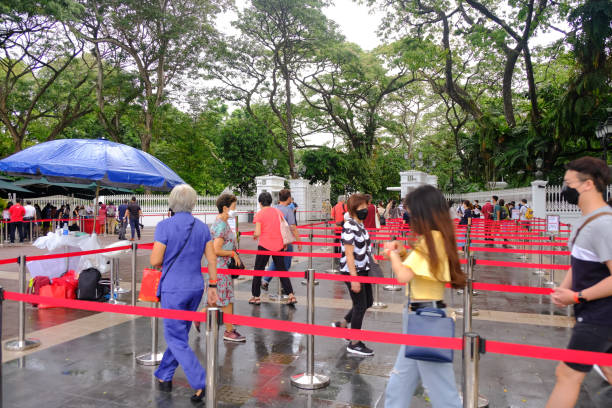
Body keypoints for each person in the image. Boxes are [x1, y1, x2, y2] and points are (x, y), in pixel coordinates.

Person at [383, 185, 466, 408]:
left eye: (411, 212)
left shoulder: (433, 240)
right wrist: (401, 253)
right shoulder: (433, 239)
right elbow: (417, 265)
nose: (408, 216)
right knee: (400, 381)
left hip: (425, 318)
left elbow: (403, 275)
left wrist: (392, 254)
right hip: (420, 316)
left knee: (442, 389)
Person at [546, 157, 612, 408]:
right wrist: (565, 288)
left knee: (567, 374)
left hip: (600, 316)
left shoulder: (604, 225)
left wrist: (577, 296)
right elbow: (580, 262)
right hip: (594, 313)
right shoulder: (585, 222)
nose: (565, 189)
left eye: (568, 183)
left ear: (588, 185)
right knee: (607, 367)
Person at [150, 184, 218, 403]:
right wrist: (213, 286)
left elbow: (155, 260)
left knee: (174, 336)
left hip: (173, 287)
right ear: (193, 203)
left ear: (172, 202)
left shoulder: (164, 226)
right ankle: (164, 374)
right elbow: (212, 259)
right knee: (180, 335)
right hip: (196, 287)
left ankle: (200, 381)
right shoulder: (202, 227)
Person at [196, 193, 246, 342]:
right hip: (219, 266)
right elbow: (216, 250)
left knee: (217, 297)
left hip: (219, 266)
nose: (235, 210)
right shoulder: (221, 225)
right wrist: (232, 253)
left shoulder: (221, 223)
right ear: (225, 208)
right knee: (226, 298)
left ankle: (198, 317)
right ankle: (229, 331)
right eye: (234, 207)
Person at [332, 193, 376, 356]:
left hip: (363, 268)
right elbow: (349, 254)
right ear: (353, 210)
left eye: (366, 207)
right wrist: (354, 278)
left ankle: (342, 324)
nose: (366, 210)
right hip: (353, 271)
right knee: (360, 306)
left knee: (368, 301)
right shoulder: (350, 226)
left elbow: (364, 248)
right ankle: (354, 342)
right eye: (362, 208)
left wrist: (372, 260)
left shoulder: (360, 225)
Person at [250, 192, 297, 305]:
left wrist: (255, 235)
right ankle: (291, 295)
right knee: (282, 271)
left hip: (264, 245)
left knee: (258, 270)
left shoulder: (259, 214)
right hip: (279, 245)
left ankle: (256, 297)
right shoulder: (278, 212)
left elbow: (258, 232)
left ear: (260, 203)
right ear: (271, 201)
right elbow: (283, 228)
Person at [261, 189, 302, 293]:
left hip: (274, 241)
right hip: (286, 241)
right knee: (286, 264)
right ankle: (284, 286)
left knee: (277, 262)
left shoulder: (273, 209)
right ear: (288, 198)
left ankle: (265, 280)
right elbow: (293, 227)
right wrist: (299, 241)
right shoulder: (288, 210)